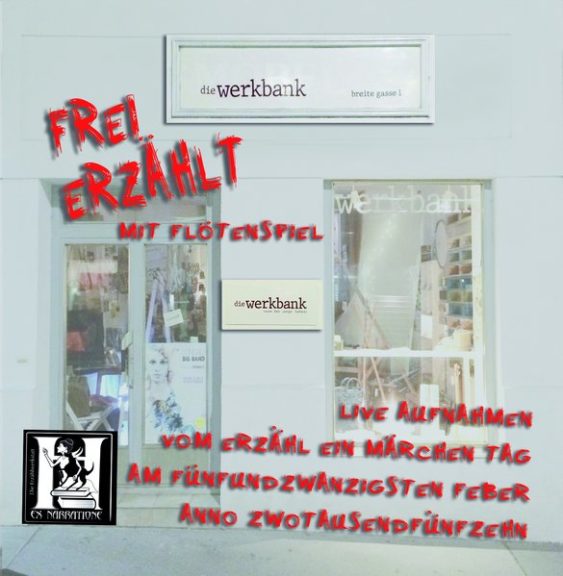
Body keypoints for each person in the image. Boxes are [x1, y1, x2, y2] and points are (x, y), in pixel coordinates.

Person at [145, 346, 194, 442]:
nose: (157, 368)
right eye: (152, 362)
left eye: (163, 362)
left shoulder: (180, 397)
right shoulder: (141, 397)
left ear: (168, 366)